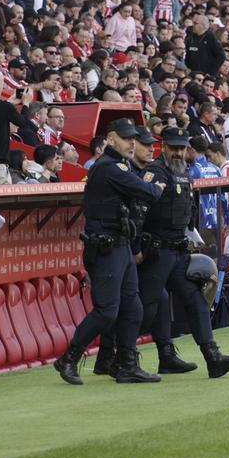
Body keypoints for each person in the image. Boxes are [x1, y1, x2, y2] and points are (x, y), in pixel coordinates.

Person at [53, 119, 164, 386]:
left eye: (133, 139)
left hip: (120, 244)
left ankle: (126, 365)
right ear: (111, 139)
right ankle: (68, 358)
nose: (132, 143)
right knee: (107, 311)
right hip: (105, 247)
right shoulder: (108, 167)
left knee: (133, 307)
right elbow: (149, 192)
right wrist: (156, 187)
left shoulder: (119, 166)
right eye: (127, 139)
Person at [137, 127, 229, 378]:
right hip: (155, 251)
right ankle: (118, 356)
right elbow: (139, 212)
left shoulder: (184, 173)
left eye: (181, 148)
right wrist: (137, 249)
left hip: (178, 251)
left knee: (196, 300)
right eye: (173, 147)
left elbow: (187, 214)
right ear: (163, 147)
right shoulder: (154, 173)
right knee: (146, 307)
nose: (177, 152)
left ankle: (212, 356)